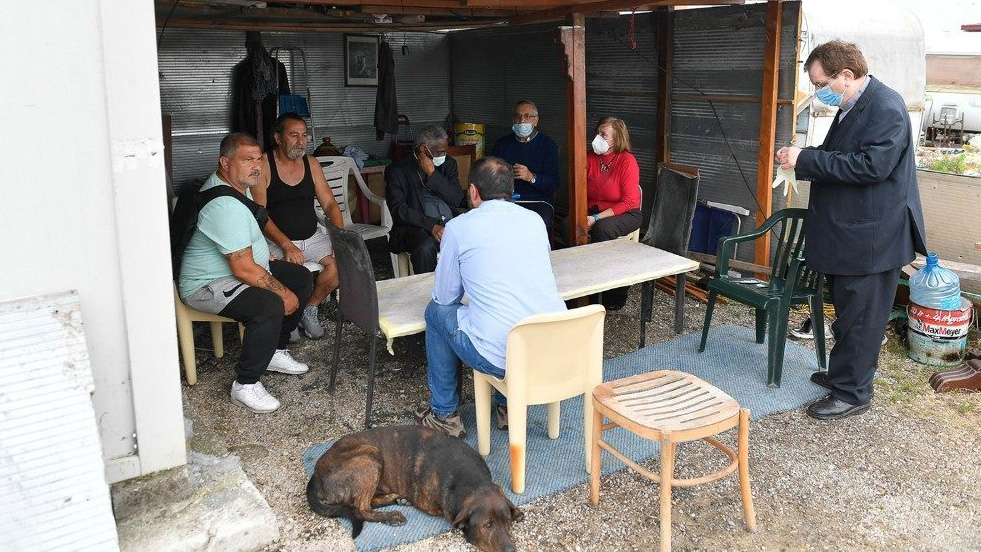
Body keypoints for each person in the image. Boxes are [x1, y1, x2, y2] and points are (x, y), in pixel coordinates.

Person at [776, 39, 927, 421]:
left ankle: (853, 393)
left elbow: (870, 167)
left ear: (846, 74)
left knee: (862, 320)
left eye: (821, 83)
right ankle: (843, 376)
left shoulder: (886, 107)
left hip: (872, 238)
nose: (818, 91)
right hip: (852, 235)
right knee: (848, 314)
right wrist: (802, 158)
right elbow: (843, 156)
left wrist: (806, 159)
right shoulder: (853, 105)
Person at [415, 157, 566, 437]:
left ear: (473, 192)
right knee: (507, 311)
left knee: (435, 313)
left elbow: (445, 297)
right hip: (549, 347)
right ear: (511, 190)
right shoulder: (535, 221)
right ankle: (506, 406)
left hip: (500, 357)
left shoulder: (459, 227)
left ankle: (445, 414)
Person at [178, 133, 314, 414]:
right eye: (247, 160)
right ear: (225, 163)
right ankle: (245, 384)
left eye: (258, 160)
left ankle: (274, 351)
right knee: (270, 304)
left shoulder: (238, 187)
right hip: (207, 284)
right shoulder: (224, 206)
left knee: (301, 278)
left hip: (239, 269)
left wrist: (276, 249)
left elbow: (257, 222)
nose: (256, 167)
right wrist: (282, 292)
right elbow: (242, 268)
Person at [252, 112, 343, 340]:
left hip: (312, 236)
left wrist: (338, 237)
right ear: (278, 138)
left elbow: (330, 204)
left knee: (340, 264)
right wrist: (286, 245)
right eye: (294, 135)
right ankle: (290, 312)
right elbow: (259, 214)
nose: (301, 141)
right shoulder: (264, 165)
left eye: (304, 135)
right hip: (276, 240)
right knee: (288, 275)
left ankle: (308, 309)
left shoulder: (311, 163)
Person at [565, 117, 642, 309]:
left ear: (616, 139)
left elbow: (629, 201)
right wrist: (584, 215)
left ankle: (613, 292)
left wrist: (595, 218)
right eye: (597, 132)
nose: (597, 137)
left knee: (603, 229)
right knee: (568, 225)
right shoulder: (590, 157)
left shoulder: (627, 161)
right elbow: (578, 188)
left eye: (603, 134)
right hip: (593, 210)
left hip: (625, 212)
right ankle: (577, 284)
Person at [386, 125, 466, 274]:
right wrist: (431, 226)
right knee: (425, 247)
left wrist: (433, 174)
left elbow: (457, 199)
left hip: (449, 224)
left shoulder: (448, 164)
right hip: (416, 228)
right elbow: (399, 210)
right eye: (440, 152)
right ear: (423, 149)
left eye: (445, 151)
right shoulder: (397, 170)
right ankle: (429, 288)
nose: (444, 155)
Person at [490, 100, 560, 241]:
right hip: (506, 201)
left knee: (537, 225)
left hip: (537, 202)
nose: (522, 120)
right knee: (493, 225)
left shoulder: (548, 145)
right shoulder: (502, 144)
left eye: (527, 116)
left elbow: (553, 183)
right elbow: (490, 176)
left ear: (536, 121)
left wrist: (531, 177)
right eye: (518, 116)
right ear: (513, 119)